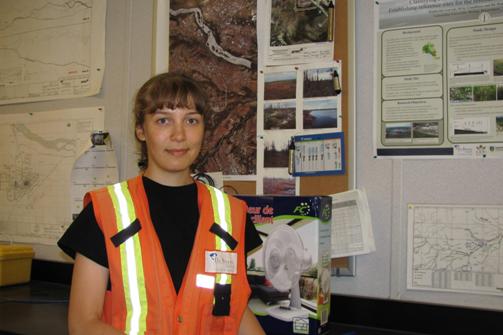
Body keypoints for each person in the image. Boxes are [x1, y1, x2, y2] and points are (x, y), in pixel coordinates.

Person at [58, 72, 265, 335]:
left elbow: (232, 310)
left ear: (204, 129)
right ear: (141, 131)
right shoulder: (105, 211)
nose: (179, 135)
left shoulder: (231, 215)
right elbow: (83, 323)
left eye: (191, 120)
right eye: (163, 120)